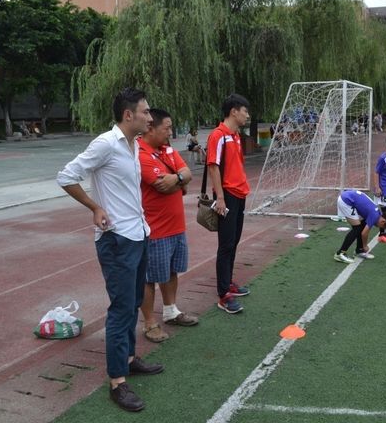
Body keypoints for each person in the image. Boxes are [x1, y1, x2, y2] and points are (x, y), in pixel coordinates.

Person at [57, 87, 163, 412]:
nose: (150, 117)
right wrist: (94, 206)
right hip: (117, 239)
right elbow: (66, 175)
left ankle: (129, 359)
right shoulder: (106, 143)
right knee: (120, 309)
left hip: (137, 233)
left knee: (132, 301)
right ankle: (117, 382)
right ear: (128, 115)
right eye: (145, 112)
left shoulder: (132, 144)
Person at [138, 109, 198, 344]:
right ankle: (149, 323)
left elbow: (186, 173)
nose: (170, 133)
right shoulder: (141, 153)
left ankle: (171, 310)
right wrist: (179, 181)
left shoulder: (168, 150)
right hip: (155, 229)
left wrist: (178, 179)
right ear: (151, 127)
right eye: (167, 128)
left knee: (172, 270)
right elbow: (161, 185)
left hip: (176, 226)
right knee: (149, 278)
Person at [207, 94, 252, 314]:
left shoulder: (234, 136)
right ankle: (223, 293)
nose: (247, 115)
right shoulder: (219, 135)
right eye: (245, 111)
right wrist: (221, 198)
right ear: (234, 111)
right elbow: (213, 167)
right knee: (225, 245)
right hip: (227, 197)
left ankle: (229, 282)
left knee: (233, 241)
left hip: (240, 194)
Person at [333, 190, 386, 263]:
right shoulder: (374, 215)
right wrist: (365, 246)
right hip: (346, 200)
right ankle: (340, 253)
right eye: (382, 226)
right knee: (357, 228)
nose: (379, 227)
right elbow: (364, 233)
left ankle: (359, 250)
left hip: (350, 198)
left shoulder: (378, 213)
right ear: (383, 221)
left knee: (362, 224)